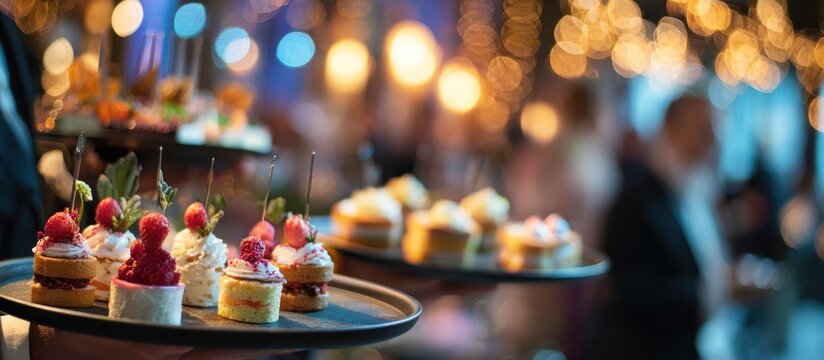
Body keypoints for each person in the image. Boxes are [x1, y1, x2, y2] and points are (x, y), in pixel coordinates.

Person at [593, 95, 728, 359]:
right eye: (703, 127)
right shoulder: (636, 199)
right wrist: (709, 295)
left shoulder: (696, 191)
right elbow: (627, 289)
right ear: (672, 128)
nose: (713, 138)